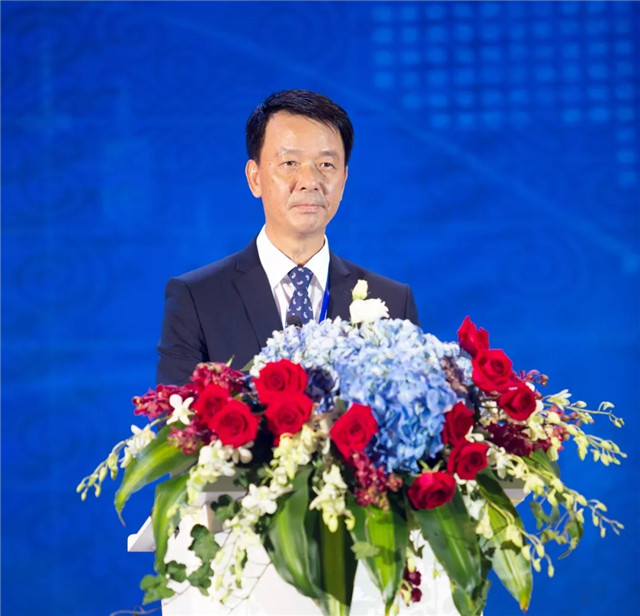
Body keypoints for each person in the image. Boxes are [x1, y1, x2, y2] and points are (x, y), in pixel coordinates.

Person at [157, 89, 420, 385]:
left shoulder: (391, 302)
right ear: (255, 178)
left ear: (344, 179)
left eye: (326, 165)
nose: (309, 182)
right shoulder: (197, 298)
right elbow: (178, 412)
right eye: (289, 163)